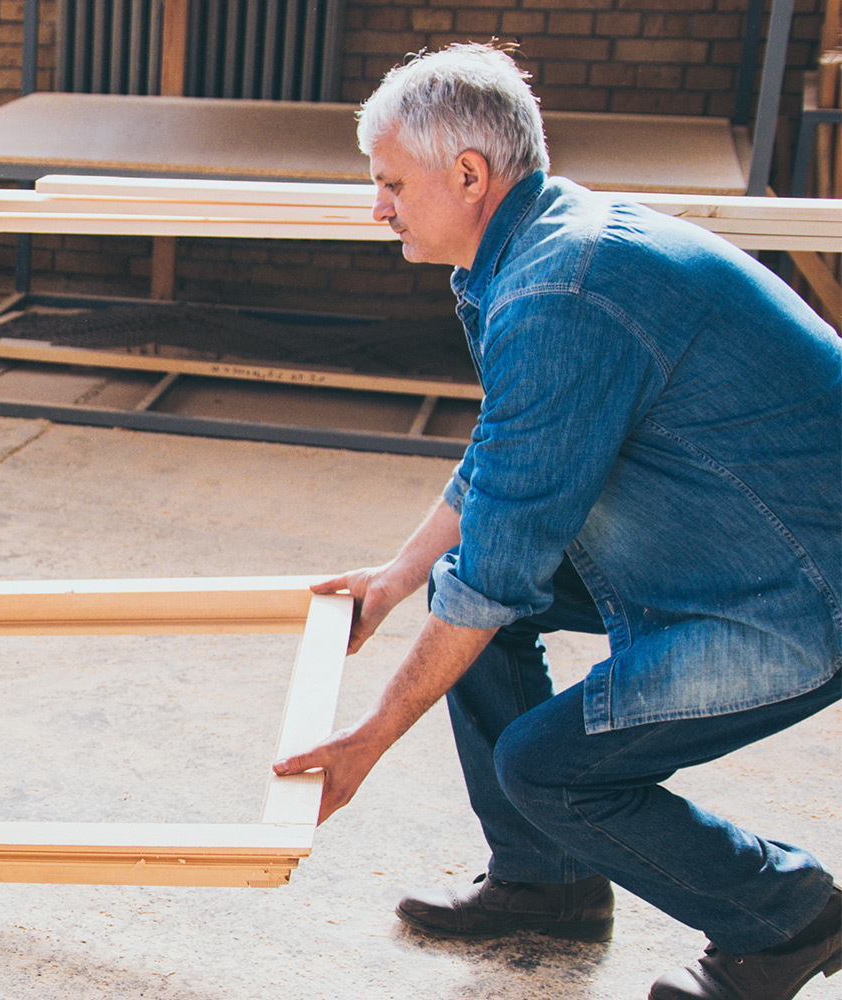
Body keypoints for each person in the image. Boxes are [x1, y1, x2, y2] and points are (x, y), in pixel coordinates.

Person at [273, 44, 841, 1000]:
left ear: (467, 174)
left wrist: (366, 739)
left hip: (796, 590)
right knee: (471, 609)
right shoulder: (543, 245)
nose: (379, 208)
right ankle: (550, 885)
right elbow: (510, 455)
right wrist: (397, 576)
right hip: (733, 532)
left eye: (390, 184)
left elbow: (500, 564)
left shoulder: (557, 289)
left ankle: (786, 915)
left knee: (548, 765)